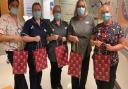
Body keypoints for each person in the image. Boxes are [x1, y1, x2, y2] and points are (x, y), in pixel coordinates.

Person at [91, 4, 125, 89]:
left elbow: (123, 44)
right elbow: (90, 41)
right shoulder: (97, 27)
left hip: (111, 61)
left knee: (109, 85)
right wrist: (95, 42)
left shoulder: (117, 27)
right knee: (99, 83)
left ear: (111, 13)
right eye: (103, 12)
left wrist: (112, 48)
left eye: (107, 12)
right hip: (98, 60)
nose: (105, 14)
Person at [21, 2, 50, 89]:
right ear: (32, 11)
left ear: (41, 11)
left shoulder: (44, 23)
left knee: (40, 71)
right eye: (35, 10)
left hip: (42, 52)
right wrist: (34, 39)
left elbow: (48, 36)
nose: (37, 11)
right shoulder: (28, 23)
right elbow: (23, 37)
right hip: (32, 54)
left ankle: (38, 86)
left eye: (38, 10)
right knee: (33, 73)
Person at [0, 0, 28, 89]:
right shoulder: (4, 18)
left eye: (17, 6)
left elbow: (25, 33)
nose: (15, 8)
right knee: (20, 75)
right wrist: (14, 37)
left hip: (22, 50)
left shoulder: (21, 19)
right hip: (12, 51)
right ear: (9, 6)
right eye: (13, 5)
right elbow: (0, 37)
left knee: (18, 74)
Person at [67, 0, 95, 89]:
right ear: (76, 8)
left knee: (84, 72)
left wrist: (92, 39)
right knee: (75, 73)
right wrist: (71, 37)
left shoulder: (90, 19)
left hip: (86, 50)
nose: (81, 8)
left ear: (85, 7)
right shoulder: (73, 20)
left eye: (83, 6)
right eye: (79, 6)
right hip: (75, 50)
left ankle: (82, 87)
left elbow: (94, 33)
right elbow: (68, 35)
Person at [46, 5, 68, 89]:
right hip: (53, 51)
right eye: (55, 12)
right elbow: (46, 37)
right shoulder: (49, 24)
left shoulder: (65, 24)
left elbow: (68, 36)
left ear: (61, 13)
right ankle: (54, 85)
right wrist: (52, 38)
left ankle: (58, 83)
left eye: (59, 12)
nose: (57, 13)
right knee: (54, 68)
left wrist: (66, 38)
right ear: (53, 13)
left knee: (60, 68)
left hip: (62, 51)